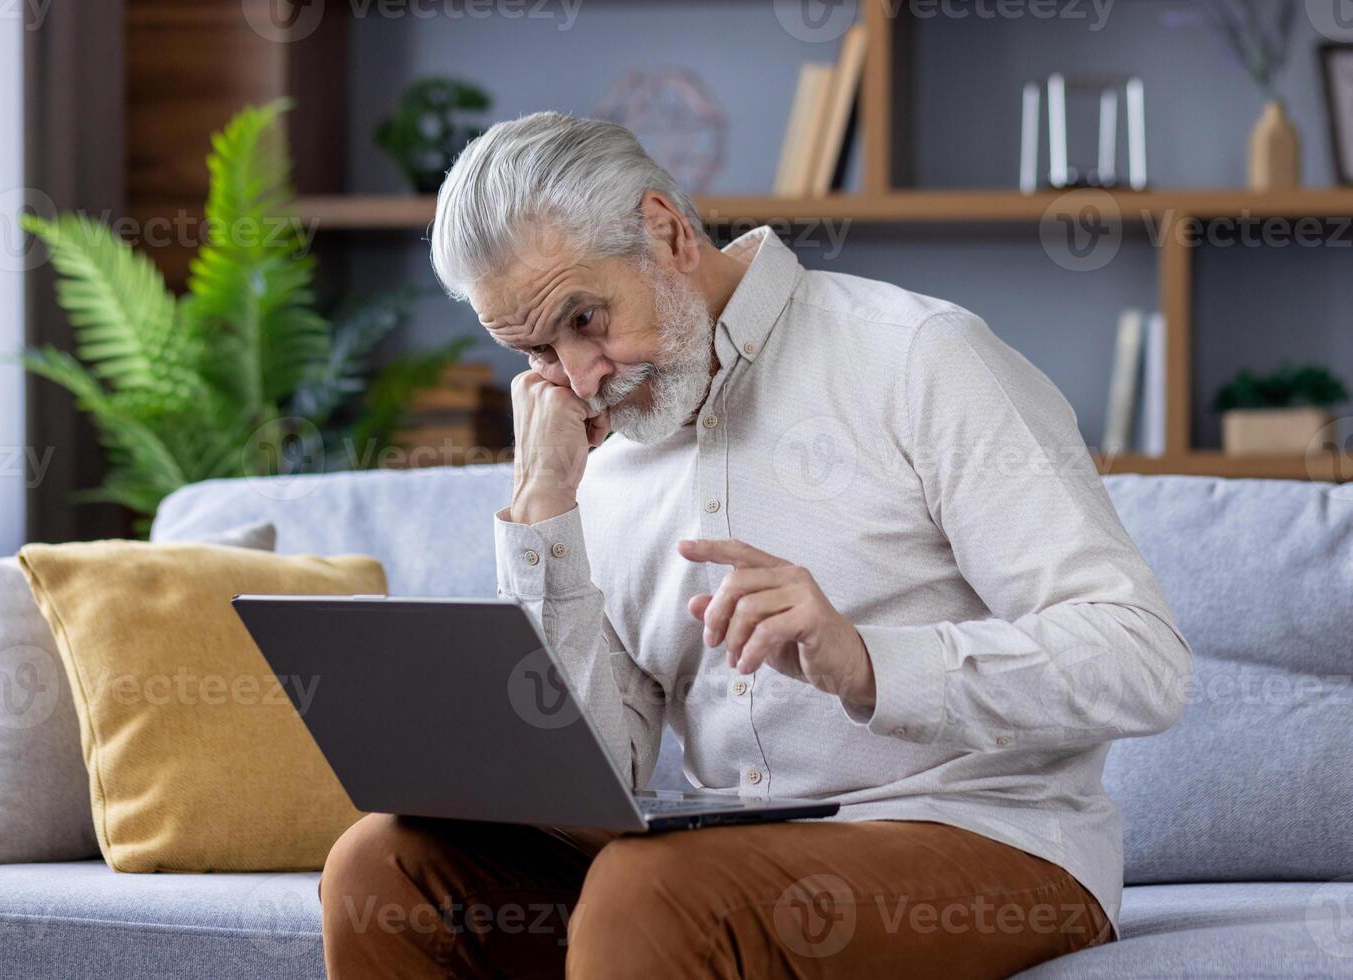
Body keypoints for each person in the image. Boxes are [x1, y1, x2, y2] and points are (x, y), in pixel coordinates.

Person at [319, 111, 1193, 979]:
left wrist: (865, 662)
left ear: (665, 231)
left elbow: (1142, 660)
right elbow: (606, 766)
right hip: (717, 859)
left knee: (650, 891)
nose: (580, 378)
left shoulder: (920, 359)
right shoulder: (595, 450)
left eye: (585, 318)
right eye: (538, 350)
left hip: (989, 839)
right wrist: (543, 513)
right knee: (381, 871)